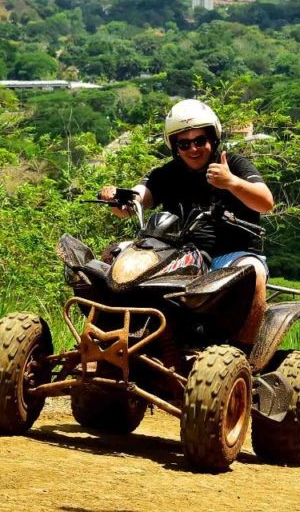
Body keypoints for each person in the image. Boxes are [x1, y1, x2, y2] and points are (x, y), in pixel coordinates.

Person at [99, 99, 275, 345]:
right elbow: (139, 198)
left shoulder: (232, 164)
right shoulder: (168, 173)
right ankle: (113, 336)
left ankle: (242, 352)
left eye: (199, 141)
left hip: (230, 255)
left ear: (212, 139)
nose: (193, 149)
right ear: (175, 147)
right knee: (113, 256)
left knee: (253, 273)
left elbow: (266, 203)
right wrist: (118, 198)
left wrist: (231, 182)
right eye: (184, 143)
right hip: (178, 252)